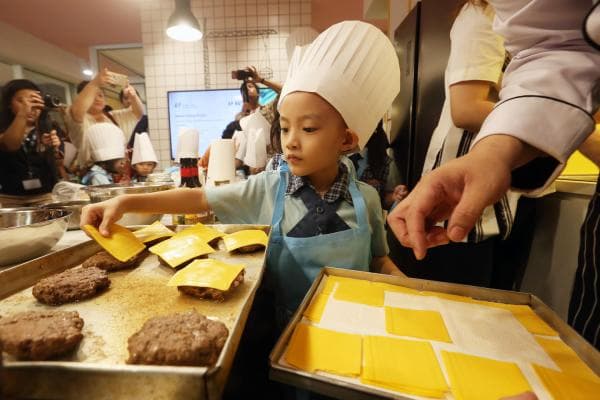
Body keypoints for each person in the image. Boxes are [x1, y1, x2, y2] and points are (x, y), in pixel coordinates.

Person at [81, 20, 401, 397]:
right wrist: (127, 201)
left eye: (309, 129)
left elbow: (378, 260)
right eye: (284, 128)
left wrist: (402, 286)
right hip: (290, 346)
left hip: (358, 337)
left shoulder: (365, 197)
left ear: (346, 139)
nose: (291, 142)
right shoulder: (269, 189)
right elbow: (198, 198)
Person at [65, 68, 144, 169]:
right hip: (92, 173)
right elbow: (77, 111)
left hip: (119, 173)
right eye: (93, 96)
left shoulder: (113, 117)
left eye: (100, 95)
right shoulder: (78, 118)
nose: (98, 99)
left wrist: (133, 96)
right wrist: (95, 84)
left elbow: (138, 113)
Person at [0, 79, 62, 207]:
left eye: (35, 101)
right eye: (21, 101)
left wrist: (52, 149)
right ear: (9, 104)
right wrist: (23, 112)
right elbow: (10, 145)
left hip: (44, 196)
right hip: (9, 198)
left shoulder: (49, 127)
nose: (31, 107)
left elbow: (59, 164)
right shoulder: (3, 128)